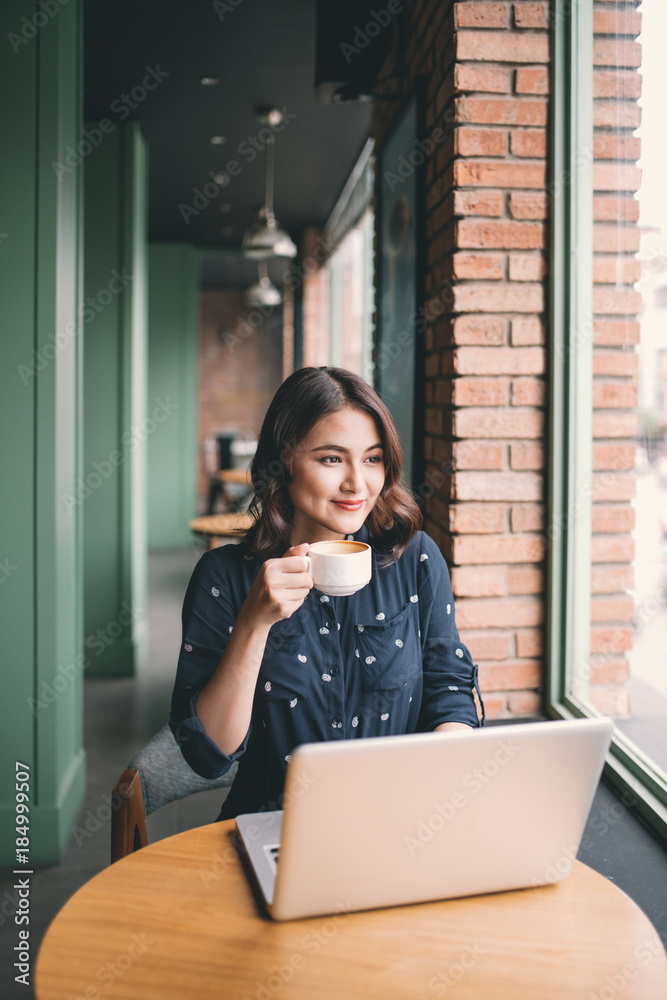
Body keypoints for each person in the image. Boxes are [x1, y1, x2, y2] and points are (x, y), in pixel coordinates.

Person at [170, 366, 484, 820]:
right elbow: (208, 754)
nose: (358, 483)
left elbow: (448, 688)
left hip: (401, 820)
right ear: (283, 463)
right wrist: (255, 624)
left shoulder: (414, 559)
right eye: (332, 459)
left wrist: (437, 780)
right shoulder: (224, 576)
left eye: (373, 458)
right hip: (274, 826)